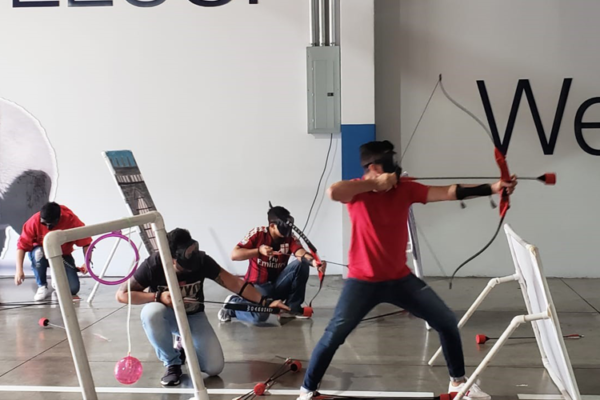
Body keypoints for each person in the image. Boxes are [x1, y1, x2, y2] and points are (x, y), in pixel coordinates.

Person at [297, 140, 517, 400]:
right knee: (334, 335)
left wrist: (493, 188)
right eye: (388, 163)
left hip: (399, 279)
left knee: (446, 322)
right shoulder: (356, 191)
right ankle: (307, 391)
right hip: (362, 282)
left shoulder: (405, 189)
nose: (396, 167)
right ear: (375, 167)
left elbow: (449, 192)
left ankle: (458, 384)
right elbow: (333, 191)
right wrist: (375, 184)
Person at [116, 227, 289, 387]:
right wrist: (157, 297)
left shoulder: (201, 260)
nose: (189, 270)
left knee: (214, 368)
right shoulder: (154, 265)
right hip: (167, 317)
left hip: (193, 316)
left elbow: (234, 282)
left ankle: (182, 345)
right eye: (184, 267)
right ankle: (172, 363)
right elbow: (121, 295)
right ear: (171, 259)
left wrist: (265, 302)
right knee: (151, 312)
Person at [218, 205, 326, 324]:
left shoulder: (289, 237)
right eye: (283, 228)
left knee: (301, 264)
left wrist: (313, 262)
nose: (286, 233)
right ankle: (233, 305)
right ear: (272, 225)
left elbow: (299, 252)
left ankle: (291, 308)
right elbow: (234, 255)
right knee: (259, 317)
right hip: (257, 286)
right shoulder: (258, 233)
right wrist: (258, 251)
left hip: (277, 284)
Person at [14, 202, 91, 301]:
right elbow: (21, 246)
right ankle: (42, 286)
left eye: (50, 225)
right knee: (38, 253)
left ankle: (56, 277)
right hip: (42, 254)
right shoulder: (34, 221)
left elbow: (86, 242)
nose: (47, 227)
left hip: (62, 255)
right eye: (44, 223)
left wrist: (87, 262)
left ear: (59, 218)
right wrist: (19, 270)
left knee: (73, 289)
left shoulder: (71, 220)